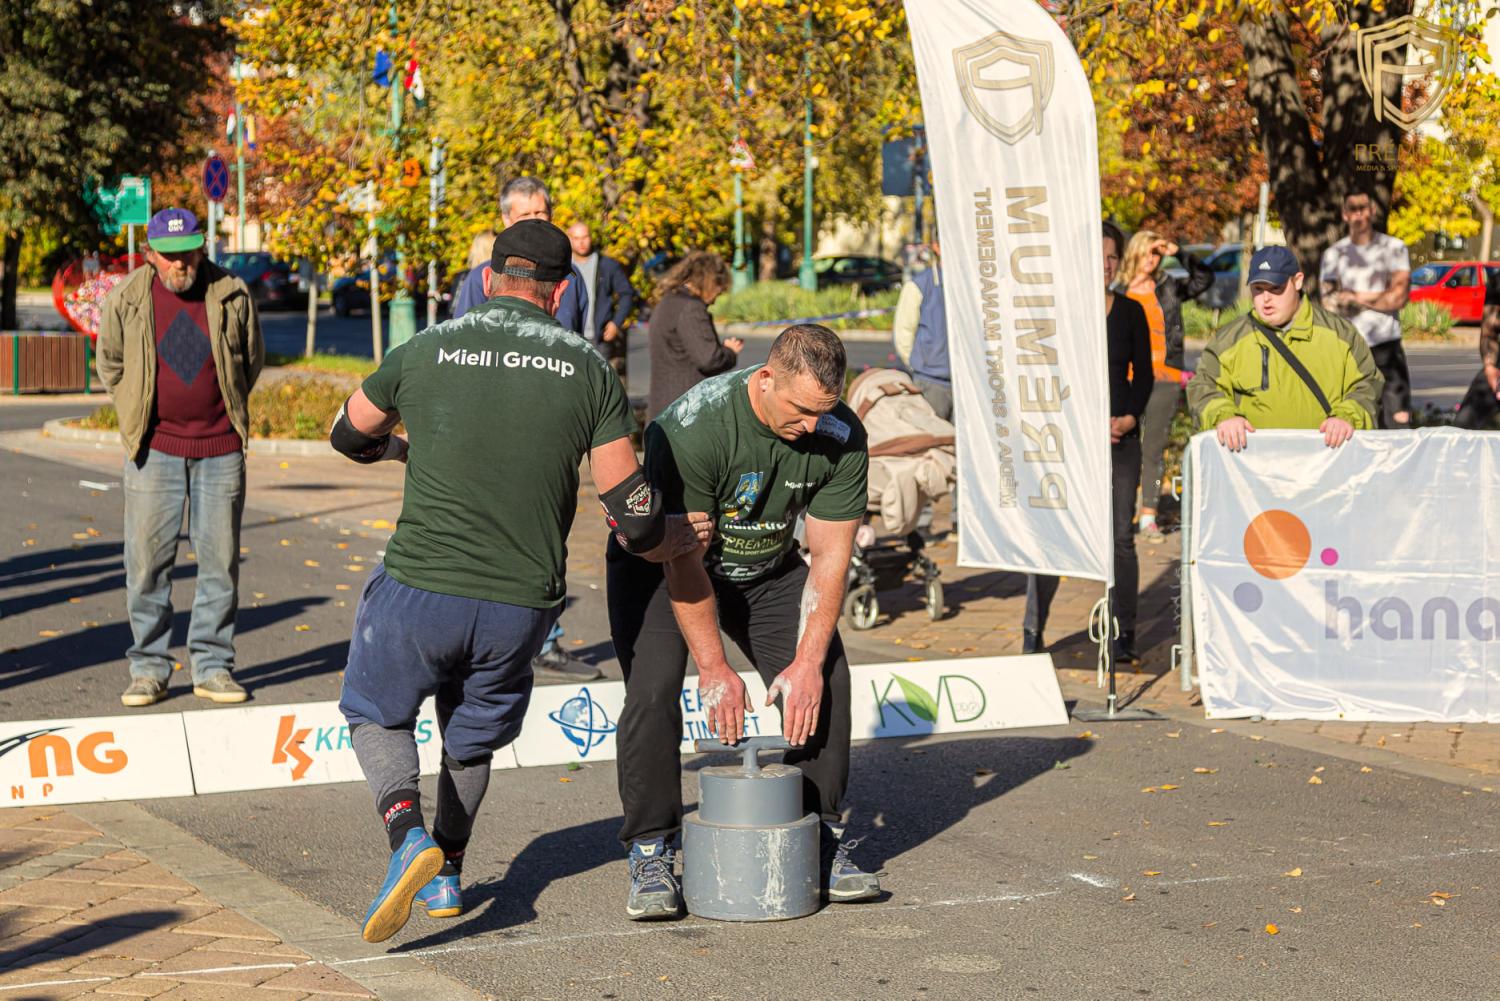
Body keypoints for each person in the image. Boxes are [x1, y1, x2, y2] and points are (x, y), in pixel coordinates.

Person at [330, 220, 710, 943]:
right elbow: (631, 514)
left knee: (375, 712)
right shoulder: (589, 368)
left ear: (487, 279)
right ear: (560, 291)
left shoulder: (427, 348)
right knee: (470, 739)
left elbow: (349, 434)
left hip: (421, 585)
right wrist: (674, 533)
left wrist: (403, 449)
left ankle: (408, 835)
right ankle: (448, 873)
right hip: (522, 601)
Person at [607, 324, 882, 920]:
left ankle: (819, 834)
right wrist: (715, 668)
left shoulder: (840, 434)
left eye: (823, 412)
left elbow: (830, 559)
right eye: (800, 411)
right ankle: (651, 849)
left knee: (827, 678)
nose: (812, 426)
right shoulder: (695, 428)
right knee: (653, 692)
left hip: (764, 565)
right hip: (668, 567)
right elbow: (683, 561)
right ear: (765, 379)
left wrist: (806, 662)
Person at [95, 208, 264, 708]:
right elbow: (110, 364)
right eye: (167, 255)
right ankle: (149, 668)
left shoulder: (231, 292)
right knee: (147, 565)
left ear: (201, 247)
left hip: (220, 449)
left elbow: (250, 360)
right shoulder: (127, 298)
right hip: (154, 449)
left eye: (186, 253)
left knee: (219, 564)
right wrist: (135, 409)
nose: (178, 264)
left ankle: (212, 667)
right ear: (149, 254)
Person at [452, 180, 600, 683]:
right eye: (528, 215)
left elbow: (577, 349)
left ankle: (545, 640)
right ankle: (479, 639)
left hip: (547, 435)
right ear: (506, 221)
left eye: (545, 212)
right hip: (490, 430)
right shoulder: (481, 280)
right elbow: (460, 350)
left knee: (547, 538)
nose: (540, 221)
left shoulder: (571, 279)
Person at [1023, 222, 1152, 664]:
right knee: (1052, 535)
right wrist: (1079, 425)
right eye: (1100, 257)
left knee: (1121, 537)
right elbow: (1046, 375)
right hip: (1069, 444)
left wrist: (1128, 417)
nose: (1107, 265)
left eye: (1114, 257)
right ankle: (1032, 631)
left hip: (1120, 441)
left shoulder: (1131, 311)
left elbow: (1144, 374)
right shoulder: (1060, 314)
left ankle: (1124, 632)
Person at [1187, 245, 1382, 452]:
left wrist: (1347, 417)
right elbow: (1203, 386)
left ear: (1297, 281)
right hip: (1252, 464)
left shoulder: (1340, 334)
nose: (1266, 299)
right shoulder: (1228, 340)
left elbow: (1367, 384)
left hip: (1326, 463)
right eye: (1258, 289)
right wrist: (1224, 416)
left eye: (1276, 288)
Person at [1120, 231, 1213, 543]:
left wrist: (1179, 252)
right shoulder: (1117, 290)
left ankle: (1148, 514)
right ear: (1134, 252)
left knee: (1153, 448)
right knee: (1124, 447)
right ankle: (1121, 514)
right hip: (1126, 378)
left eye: (1157, 254)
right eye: (1147, 252)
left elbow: (1204, 279)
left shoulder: (1167, 286)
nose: (1152, 259)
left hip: (1165, 377)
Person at [1319, 191, 1411, 428]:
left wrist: (1355, 296)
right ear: (1344, 214)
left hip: (1386, 346)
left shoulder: (1394, 248)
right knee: (1353, 421)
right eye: (1353, 209)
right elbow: (1329, 302)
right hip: (1349, 348)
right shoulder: (1334, 254)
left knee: (1398, 424)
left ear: (1372, 210)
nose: (1358, 214)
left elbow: (1399, 297)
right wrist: (1381, 296)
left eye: (1363, 208)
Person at [645, 251, 743, 419]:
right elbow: (708, 359)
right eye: (719, 291)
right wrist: (730, 352)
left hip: (663, 405)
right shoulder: (691, 309)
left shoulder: (669, 300)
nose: (715, 299)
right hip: (684, 409)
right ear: (710, 282)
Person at [567, 221, 637, 375]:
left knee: (598, 381)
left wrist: (615, 323)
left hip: (598, 338)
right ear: (569, 239)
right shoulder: (563, 266)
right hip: (569, 337)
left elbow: (627, 294)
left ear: (591, 238)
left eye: (585, 237)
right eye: (576, 238)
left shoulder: (607, 265)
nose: (581, 242)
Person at [891, 242, 951, 420]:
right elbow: (903, 331)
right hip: (932, 383)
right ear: (936, 247)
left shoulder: (972, 281)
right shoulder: (919, 284)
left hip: (967, 381)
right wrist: (917, 364)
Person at [1454, 269, 1500, 430]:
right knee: (1463, 424)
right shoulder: (1497, 281)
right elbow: (1489, 331)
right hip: (1497, 366)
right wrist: (1489, 366)